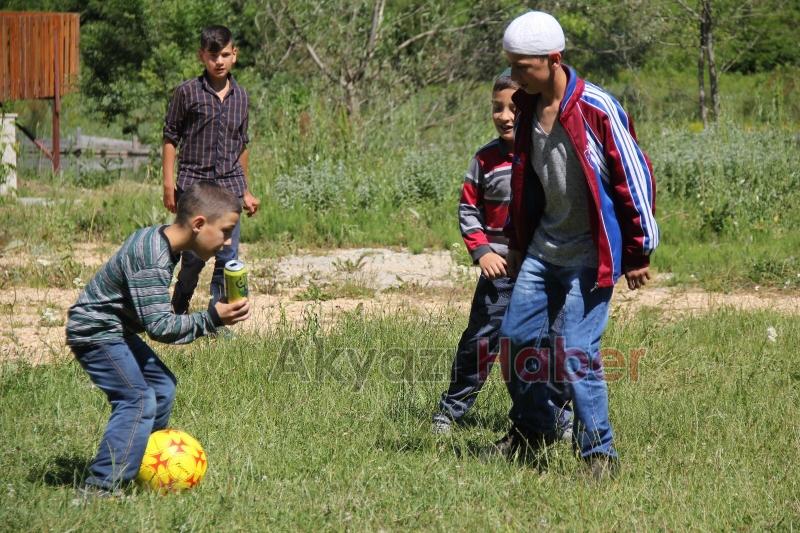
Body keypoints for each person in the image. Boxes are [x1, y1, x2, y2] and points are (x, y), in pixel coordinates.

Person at [495, 11, 658, 478]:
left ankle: (598, 455)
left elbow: (634, 176)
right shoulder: (525, 107)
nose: (514, 75)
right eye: (510, 64)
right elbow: (525, 181)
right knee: (514, 342)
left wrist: (638, 251)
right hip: (543, 251)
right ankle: (532, 432)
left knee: (573, 351)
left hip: (592, 255)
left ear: (553, 59)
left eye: (522, 66)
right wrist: (517, 242)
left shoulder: (596, 109)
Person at [66, 182, 252, 495]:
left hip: (116, 328)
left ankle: (143, 461)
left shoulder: (166, 241)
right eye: (226, 230)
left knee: (162, 387)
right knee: (137, 398)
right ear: (198, 224)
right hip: (95, 331)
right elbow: (160, 327)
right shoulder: (151, 257)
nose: (228, 241)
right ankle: (100, 487)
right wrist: (212, 319)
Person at [432, 73, 572, 436]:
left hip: (543, 271)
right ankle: (451, 411)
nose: (505, 115)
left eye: (513, 107)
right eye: (497, 107)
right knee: (481, 341)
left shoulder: (548, 156)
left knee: (549, 345)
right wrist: (482, 252)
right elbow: (468, 208)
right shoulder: (485, 160)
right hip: (499, 276)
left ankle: (558, 416)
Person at [162, 25, 260, 314]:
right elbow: (170, 138)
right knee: (193, 258)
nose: (219, 61)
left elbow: (241, 145)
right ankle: (179, 303)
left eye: (225, 54)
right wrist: (169, 185)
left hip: (229, 188)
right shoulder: (187, 93)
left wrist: (246, 190)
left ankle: (220, 313)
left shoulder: (241, 97)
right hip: (195, 187)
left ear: (235, 55)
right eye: (213, 55)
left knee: (228, 254)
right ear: (201, 56)